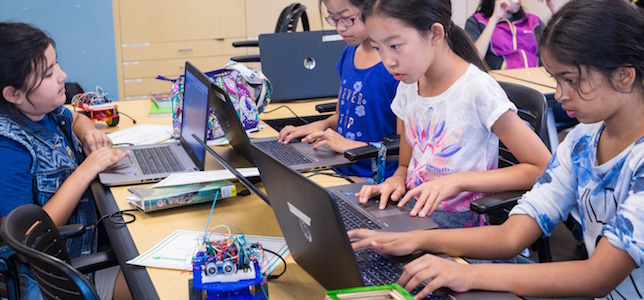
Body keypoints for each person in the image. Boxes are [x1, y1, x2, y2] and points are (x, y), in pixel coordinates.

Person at [350, 0, 644, 298]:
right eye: (557, 80)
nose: (559, 95)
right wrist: (417, 240)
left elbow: (598, 276)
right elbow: (511, 234)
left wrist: (468, 273)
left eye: (570, 80)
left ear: (624, 75)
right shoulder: (581, 143)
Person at [354, 0, 551, 229]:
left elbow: (542, 167)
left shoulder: (477, 90)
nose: (388, 62)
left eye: (395, 46)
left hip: (462, 226)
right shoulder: (408, 84)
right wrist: (396, 180)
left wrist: (458, 182)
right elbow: (406, 166)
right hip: (414, 212)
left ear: (435, 33)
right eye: (378, 48)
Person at [0, 22, 131, 300]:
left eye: (56, 63)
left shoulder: (45, 112)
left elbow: (75, 117)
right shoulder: (8, 149)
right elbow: (27, 240)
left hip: (83, 255)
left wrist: (89, 134)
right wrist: (87, 169)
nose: (63, 76)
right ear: (13, 94)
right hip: (55, 283)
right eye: (48, 73)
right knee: (163, 284)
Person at [277, 0, 399, 183]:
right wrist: (320, 125)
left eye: (347, 19)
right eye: (334, 19)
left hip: (373, 177)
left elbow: (403, 151)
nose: (340, 28)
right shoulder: (349, 54)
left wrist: (351, 147)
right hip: (340, 165)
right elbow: (340, 115)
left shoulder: (395, 67)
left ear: (373, 8)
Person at [465, 0, 551, 70]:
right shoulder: (477, 22)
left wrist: (553, 9)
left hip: (536, 80)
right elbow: (474, 60)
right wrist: (495, 18)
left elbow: (559, 50)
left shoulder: (533, 21)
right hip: (500, 82)